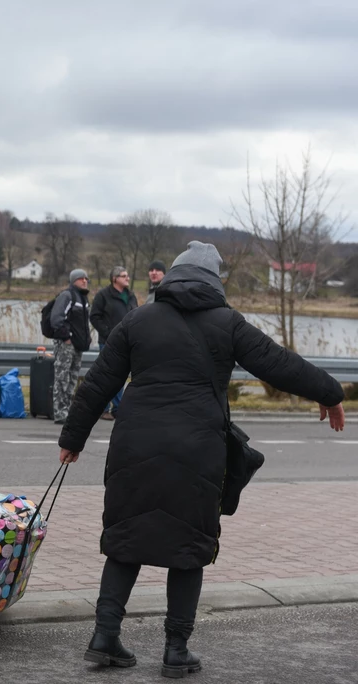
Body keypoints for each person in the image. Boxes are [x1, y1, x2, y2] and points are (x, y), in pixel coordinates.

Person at [57, 241, 345, 678]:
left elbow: (98, 383)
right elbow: (278, 364)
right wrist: (330, 392)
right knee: (188, 545)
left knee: (126, 538)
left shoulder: (138, 319)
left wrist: (73, 438)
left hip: (134, 444)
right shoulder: (228, 323)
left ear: (170, 276)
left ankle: (104, 637)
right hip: (198, 450)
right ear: (215, 280)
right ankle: (176, 650)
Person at [89, 266, 138, 420]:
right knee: (107, 376)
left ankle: (118, 409)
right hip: (108, 343)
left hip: (127, 341)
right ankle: (103, 409)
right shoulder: (103, 295)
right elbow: (95, 316)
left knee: (122, 377)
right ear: (114, 278)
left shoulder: (130, 296)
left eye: (127, 275)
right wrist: (108, 333)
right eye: (124, 276)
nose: (127, 278)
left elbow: (136, 315)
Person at [49, 268, 92, 425]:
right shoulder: (67, 296)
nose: (85, 281)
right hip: (66, 345)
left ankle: (67, 410)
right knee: (62, 377)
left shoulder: (83, 299)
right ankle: (59, 412)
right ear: (74, 280)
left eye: (86, 278)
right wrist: (66, 338)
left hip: (78, 346)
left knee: (73, 378)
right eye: (81, 278)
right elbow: (56, 319)